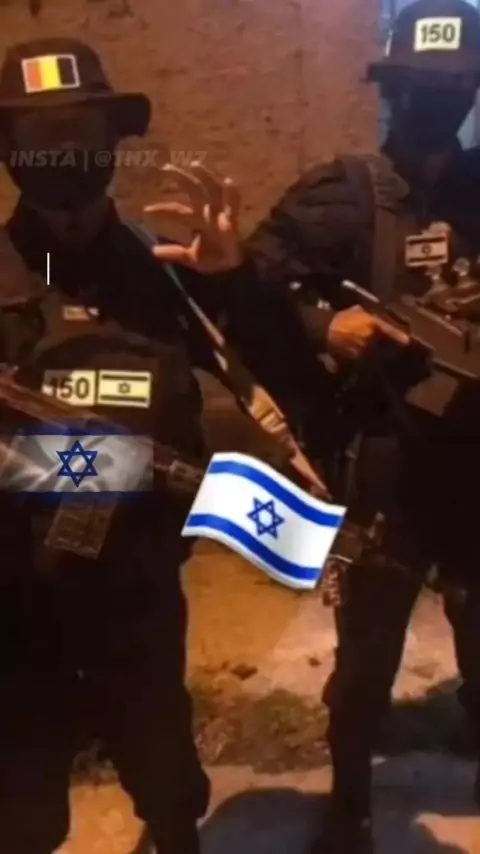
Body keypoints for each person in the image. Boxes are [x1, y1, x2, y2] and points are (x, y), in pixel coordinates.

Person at [0, 38, 328, 854]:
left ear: (113, 143)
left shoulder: (172, 271)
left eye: (82, 134)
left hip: (138, 603)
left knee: (172, 797)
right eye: (42, 138)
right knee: (26, 818)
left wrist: (235, 282)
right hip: (17, 614)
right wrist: (114, 466)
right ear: (9, 152)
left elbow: (295, 386)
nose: (65, 159)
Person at [244, 0, 480, 851]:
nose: (434, 105)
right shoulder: (344, 193)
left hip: (475, 461)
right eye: (417, 88)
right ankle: (350, 804)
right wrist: (325, 327)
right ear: (389, 90)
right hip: (386, 462)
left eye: (451, 90)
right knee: (367, 655)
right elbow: (251, 287)